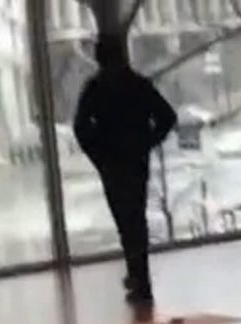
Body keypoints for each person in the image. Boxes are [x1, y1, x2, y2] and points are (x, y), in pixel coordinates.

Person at [74, 35, 177, 305]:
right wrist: (147, 142)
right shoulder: (139, 85)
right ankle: (140, 277)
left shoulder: (95, 88)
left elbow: (81, 127)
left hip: (112, 164)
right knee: (137, 219)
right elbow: (167, 117)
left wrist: (98, 155)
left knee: (125, 222)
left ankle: (137, 276)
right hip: (136, 161)